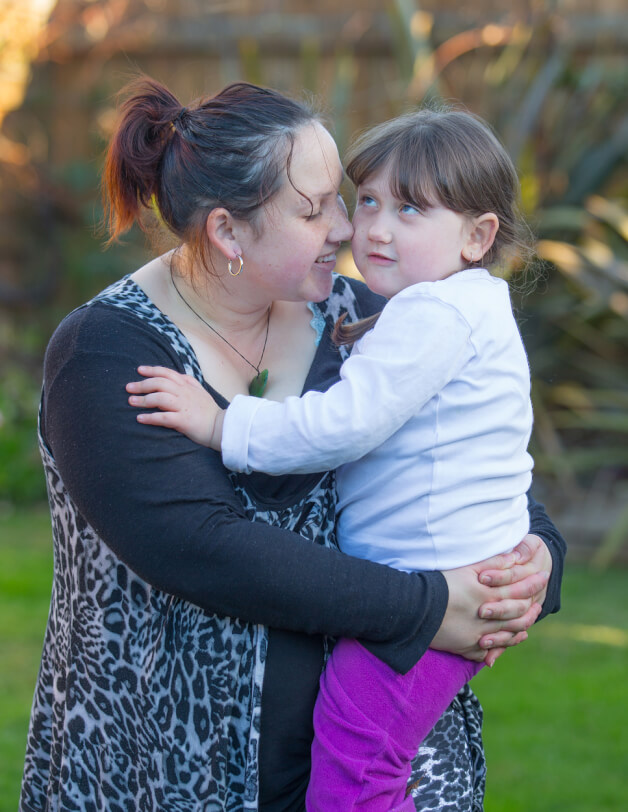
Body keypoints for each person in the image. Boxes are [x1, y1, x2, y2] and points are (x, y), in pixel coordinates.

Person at [20, 76, 564, 812]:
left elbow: (477, 456)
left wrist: (538, 563)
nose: (348, 228)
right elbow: (205, 546)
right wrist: (430, 607)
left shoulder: (368, 316)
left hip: (395, 762)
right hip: (176, 767)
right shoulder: (108, 354)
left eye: (344, 197)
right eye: (317, 210)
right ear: (228, 232)